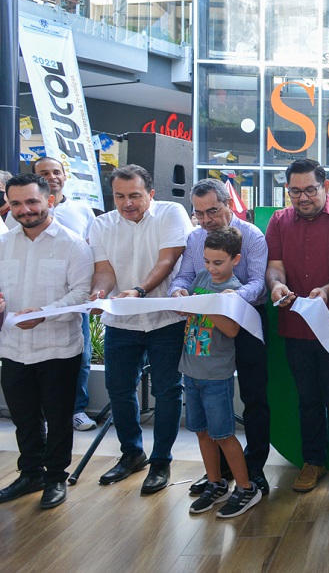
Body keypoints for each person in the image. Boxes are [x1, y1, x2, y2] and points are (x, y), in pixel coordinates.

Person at [88, 164, 192, 494]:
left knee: (168, 390)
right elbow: (104, 270)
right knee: (119, 389)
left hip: (165, 318)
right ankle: (132, 454)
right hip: (121, 321)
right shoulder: (101, 224)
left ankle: (161, 461)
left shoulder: (171, 213)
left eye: (134, 195)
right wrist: (99, 293)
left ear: (151, 193)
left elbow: (168, 260)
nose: (127, 203)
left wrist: (138, 290)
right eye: (119, 196)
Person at [266, 159, 329, 498]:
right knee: (306, 399)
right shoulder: (279, 221)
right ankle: (313, 462)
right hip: (296, 325)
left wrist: (326, 291)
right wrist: (276, 285)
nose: (303, 198)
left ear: (326, 187)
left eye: (310, 190)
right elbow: (274, 267)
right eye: (295, 192)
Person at [171, 178, 271, 495]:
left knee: (254, 397)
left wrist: (232, 297)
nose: (206, 220)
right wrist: (178, 291)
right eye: (199, 213)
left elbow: (258, 283)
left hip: (246, 319)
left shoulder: (252, 236)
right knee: (209, 402)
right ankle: (219, 473)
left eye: (212, 211)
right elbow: (184, 276)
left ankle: (254, 470)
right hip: (205, 325)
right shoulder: (195, 238)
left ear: (228, 203)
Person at [0, 174, 93, 510]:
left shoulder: (73, 244)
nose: (25, 210)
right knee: (23, 419)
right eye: (16, 203)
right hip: (13, 347)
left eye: (32, 201)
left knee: (59, 418)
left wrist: (44, 313)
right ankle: (30, 474)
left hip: (59, 348)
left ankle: (55, 478)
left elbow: (81, 294)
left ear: (49, 200)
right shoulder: (3, 243)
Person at [182, 226, 263, 519]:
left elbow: (231, 330)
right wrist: (184, 302)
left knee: (223, 434)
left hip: (216, 374)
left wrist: (207, 305)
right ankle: (215, 483)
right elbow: (188, 312)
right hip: (190, 369)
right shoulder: (201, 279)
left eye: (218, 262)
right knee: (202, 432)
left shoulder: (233, 290)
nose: (210, 268)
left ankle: (245, 488)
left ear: (235, 260)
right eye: (206, 261)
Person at [26, 157, 97, 432]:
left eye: (57, 171)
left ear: (65, 176)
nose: (52, 176)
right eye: (44, 173)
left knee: (81, 355)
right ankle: (41, 414)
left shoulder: (82, 210)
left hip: (73, 298)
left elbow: (92, 249)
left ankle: (77, 409)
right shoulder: (20, 213)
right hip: (32, 300)